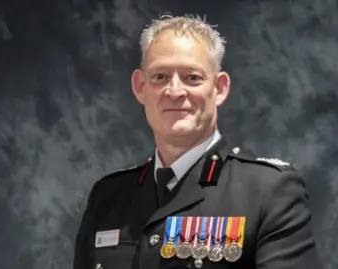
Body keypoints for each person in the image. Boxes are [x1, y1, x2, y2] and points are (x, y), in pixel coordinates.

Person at [73, 14, 321, 269]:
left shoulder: (268, 192)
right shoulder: (108, 198)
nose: (175, 91)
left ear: (220, 88)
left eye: (192, 77)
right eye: (160, 77)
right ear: (140, 87)